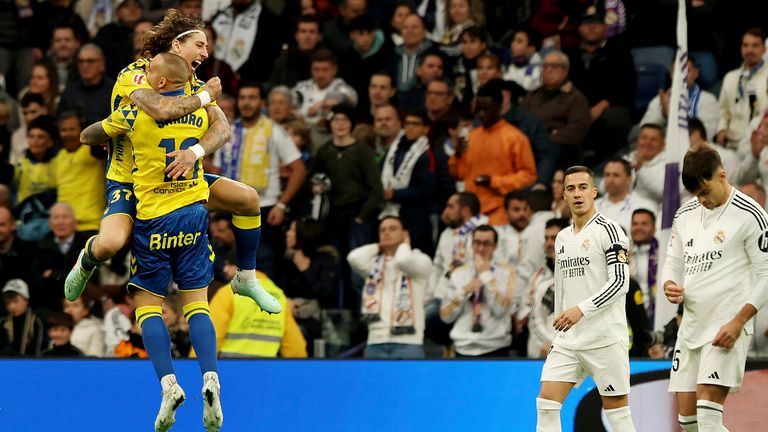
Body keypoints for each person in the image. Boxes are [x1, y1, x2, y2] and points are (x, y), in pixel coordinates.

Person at [65, 10, 281, 315]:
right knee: (110, 244)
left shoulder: (192, 82)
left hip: (178, 179)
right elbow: (160, 109)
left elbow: (222, 129)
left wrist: (194, 153)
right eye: (200, 44)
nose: (206, 53)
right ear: (177, 45)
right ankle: (86, 260)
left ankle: (246, 278)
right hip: (131, 181)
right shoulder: (135, 75)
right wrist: (205, 98)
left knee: (248, 198)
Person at [80, 52, 224, 431]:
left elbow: (88, 136)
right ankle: (211, 378)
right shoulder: (201, 112)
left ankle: (169, 385)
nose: (144, 74)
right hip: (193, 215)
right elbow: (220, 130)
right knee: (197, 304)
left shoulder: (134, 113)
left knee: (147, 306)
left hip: (153, 219)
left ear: (159, 85)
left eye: (150, 72)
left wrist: (106, 134)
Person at [662, 146, 768, 431]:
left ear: (722, 175)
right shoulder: (685, 214)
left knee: (709, 415)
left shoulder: (751, 214)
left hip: (726, 326)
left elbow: (766, 274)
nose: (702, 200)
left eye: (705, 192)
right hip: (692, 326)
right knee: (687, 420)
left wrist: (739, 321)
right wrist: (669, 284)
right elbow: (672, 261)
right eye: (696, 195)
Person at [536, 165, 635, 432]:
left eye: (582, 188)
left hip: (604, 339)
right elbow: (562, 287)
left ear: (593, 192)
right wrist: (556, 333)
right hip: (569, 341)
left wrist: (581, 310)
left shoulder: (610, 230)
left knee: (618, 415)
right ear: (564, 195)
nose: (577, 194)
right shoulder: (562, 238)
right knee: (546, 404)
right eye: (570, 188)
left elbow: (620, 281)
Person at [448, 79, 537, 225]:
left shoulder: (515, 138)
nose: (482, 114)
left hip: (499, 210)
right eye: (479, 109)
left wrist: (494, 182)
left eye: (486, 109)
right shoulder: (471, 136)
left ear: (499, 107)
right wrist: (457, 154)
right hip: (470, 213)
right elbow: (458, 174)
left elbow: (528, 176)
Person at [348, 216, 432, 358]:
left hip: (409, 343)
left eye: (393, 229)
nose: (387, 233)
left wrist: (405, 244)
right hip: (375, 342)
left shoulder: (420, 260)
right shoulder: (373, 265)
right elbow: (353, 257)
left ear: (405, 233)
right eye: (382, 230)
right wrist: (377, 246)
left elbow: (403, 261)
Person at [438, 224, 516, 357]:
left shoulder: (507, 272)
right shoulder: (457, 273)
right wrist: (464, 292)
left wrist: (486, 275)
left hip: (495, 346)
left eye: (487, 244)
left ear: (495, 246)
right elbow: (445, 316)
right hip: (462, 346)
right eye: (477, 243)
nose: (481, 248)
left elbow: (500, 309)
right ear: (471, 244)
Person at [208, 276, 308, 358]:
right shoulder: (280, 297)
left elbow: (209, 336)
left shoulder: (229, 292)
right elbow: (295, 349)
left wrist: (196, 366)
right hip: (265, 372)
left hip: (230, 370)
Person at [524, 218, 568, 359]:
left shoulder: (579, 273)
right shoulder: (537, 278)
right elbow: (533, 318)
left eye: (554, 238)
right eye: (546, 238)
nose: (549, 243)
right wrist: (552, 343)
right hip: (541, 352)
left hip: (570, 350)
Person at [595, 158, 658, 233]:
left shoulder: (644, 206)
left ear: (629, 179)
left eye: (616, 175)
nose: (610, 180)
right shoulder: (592, 206)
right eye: (607, 175)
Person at [1, 279, 44, 357]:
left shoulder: (36, 321)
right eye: (8, 303)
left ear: (26, 300)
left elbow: (39, 352)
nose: (12, 306)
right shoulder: (3, 322)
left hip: (30, 365)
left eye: (16, 301)